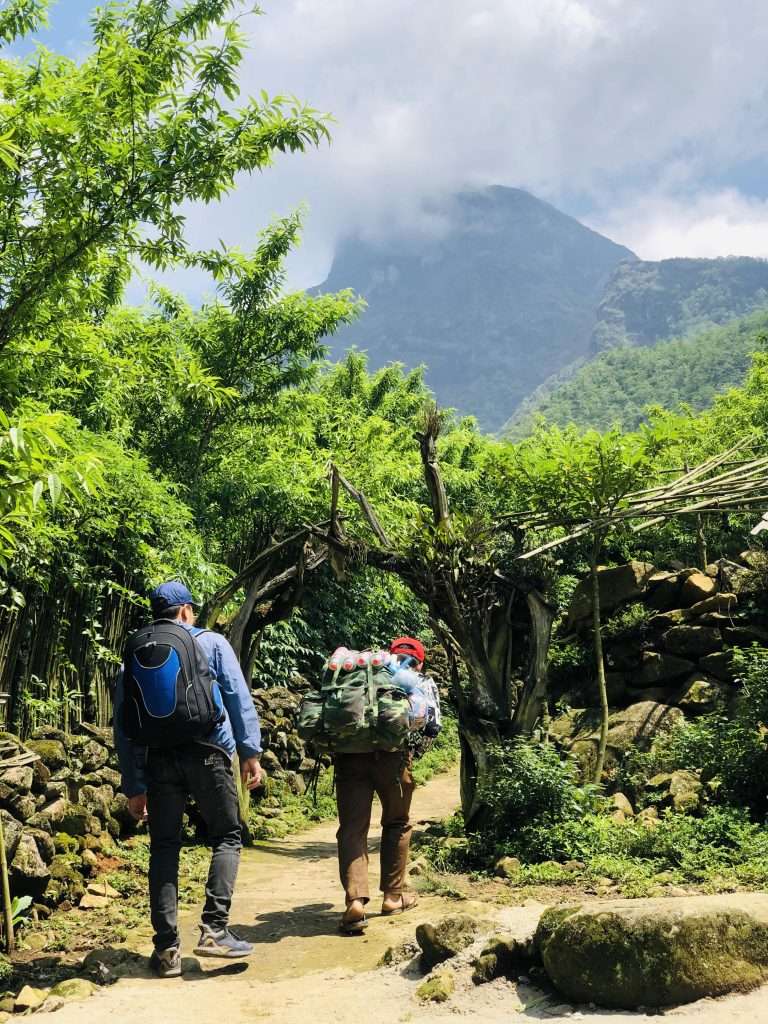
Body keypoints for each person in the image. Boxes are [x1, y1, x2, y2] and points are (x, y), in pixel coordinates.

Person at [114, 581, 263, 977]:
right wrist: (250, 753)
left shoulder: (134, 653)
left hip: (157, 760)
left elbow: (123, 725)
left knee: (164, 848)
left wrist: (134, 785)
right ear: (185, 611)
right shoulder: (211, 643)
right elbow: (236, 695)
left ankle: (166, 951)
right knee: (227, 836)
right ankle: (214, 929)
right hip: (210, 753)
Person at [335, 635, 429, 935]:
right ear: (420, 660)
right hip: (394, 759)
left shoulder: (366, 674)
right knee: (397, 823)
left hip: (350, 759)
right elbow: (428, 723)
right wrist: (411, 751)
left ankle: (355, 902)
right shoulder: (415, 679)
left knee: (352, 828)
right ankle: (393, 896)